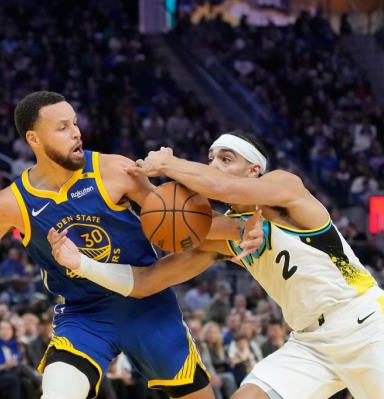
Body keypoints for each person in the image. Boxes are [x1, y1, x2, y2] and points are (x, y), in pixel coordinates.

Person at [0, 91, 255, 399]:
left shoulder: (114, 170)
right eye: (62, 127)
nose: (75, 132)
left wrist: (239, 230)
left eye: (74, 123)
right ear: (34, 139)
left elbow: (180, 220)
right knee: (59, 391)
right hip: (85, 313)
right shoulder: (11, 203)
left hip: (149, 304)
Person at [49, 131, 384, 398]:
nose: (214, 166)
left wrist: (167, 162)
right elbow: (148, 281)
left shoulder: (286, 188)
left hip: (365, 325)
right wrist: (82, 262)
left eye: (226, 158)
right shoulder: (224, 233)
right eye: (211, 159)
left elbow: (222, 186)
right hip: (310, 344)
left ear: (254, 171)